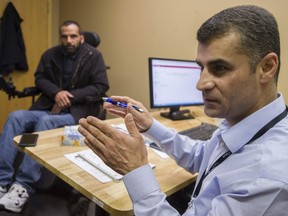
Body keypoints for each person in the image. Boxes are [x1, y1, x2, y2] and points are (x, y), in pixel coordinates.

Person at [78, 5, 288, 216]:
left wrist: (135, 169)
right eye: (201, 67)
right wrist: (150, 125)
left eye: (220, 68)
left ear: (267, 67)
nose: (201, 84)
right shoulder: (242, 118)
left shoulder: (266, 177)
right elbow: (201, 157)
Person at [0, 20, 109, 212]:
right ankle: (2, 181)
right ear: (61, 37)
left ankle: (23, 186)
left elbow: (101, 86)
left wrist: (69, 97)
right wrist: (56, 92)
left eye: (73, 36)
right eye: (65, 36)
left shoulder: (94, 56)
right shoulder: (51, 54)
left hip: (77, 112)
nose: (69, 40)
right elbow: (40, 78)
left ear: (81, 38)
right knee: (16, 116)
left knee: (45, 121)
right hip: (48, 106)